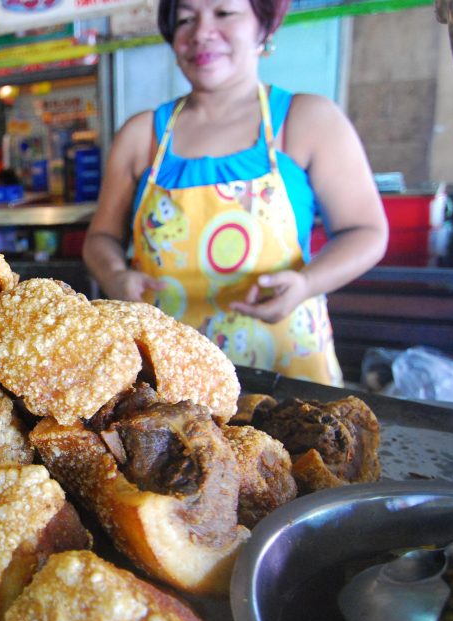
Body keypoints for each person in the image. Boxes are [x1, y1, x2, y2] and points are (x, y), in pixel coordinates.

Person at [83, 0, 387, 386]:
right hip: (170, 380)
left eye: (224, 13)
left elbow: (366, 232)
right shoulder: (140, 136)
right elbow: (101, 238)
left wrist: (306, 284)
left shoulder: (308, 120)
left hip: (285, 373)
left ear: (264, 27)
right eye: (186, 19)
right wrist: (116, 277)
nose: (201, 32)